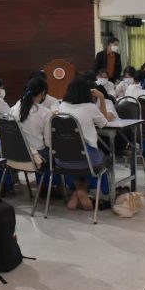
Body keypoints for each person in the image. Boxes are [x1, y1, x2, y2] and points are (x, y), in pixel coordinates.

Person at [48, 78, 108, 211]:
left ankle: (78, 190)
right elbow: (104, 123)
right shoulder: (90, 107)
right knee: (103, 157)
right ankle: (88, 191)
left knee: (75, 154)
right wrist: (102, 98)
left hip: (61, 160)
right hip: (87, 160)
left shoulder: (60, 107)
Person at [9, 76, 52, 161]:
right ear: (43, 92)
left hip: (14, 154)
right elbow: (48, 143)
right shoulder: (45, 113)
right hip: (36, 155)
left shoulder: (13, 109)